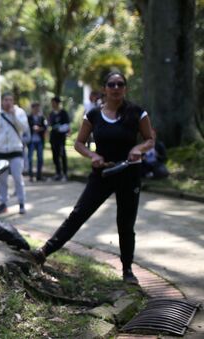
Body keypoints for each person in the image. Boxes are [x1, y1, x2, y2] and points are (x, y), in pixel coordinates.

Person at [28, 71, 154, 285]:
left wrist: (138, 149)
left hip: (129, 173)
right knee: (79, 214)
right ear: (105, 89)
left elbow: (150, 139)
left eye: (120, 84)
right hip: (102, 173)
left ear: (125, 88)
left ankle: (127, 271)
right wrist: (92, 155)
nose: (116, 88)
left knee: (125, 223)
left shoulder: (137, 113)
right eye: (111, 84)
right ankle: (43, 252)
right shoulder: (94, 115)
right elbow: (79, 143)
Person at [0, 93, 30, 215]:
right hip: (0, 152)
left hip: (16, 151)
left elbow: (24, 128)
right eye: (6, 100)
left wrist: (14, 115)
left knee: (18, 178)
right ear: (2, 101)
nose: (8, 102)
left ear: (13, 101)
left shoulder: (20, 113)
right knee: (2, 180)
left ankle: (21, 203)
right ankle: (4, 203)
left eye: (10, 100)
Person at [49, 96, 70, 181]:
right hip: (53, 138)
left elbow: (67, 125)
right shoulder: (51, 114)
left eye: (54, 103)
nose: (52, 105)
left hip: (61, 139)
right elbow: (50, 124)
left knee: (62, 155)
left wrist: (59, 128)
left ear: (57, 103)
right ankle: (58, 173)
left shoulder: (63, 113)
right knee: (55, 156)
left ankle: (65, 174)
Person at [27, 102, 48, 182]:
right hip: (31, 140)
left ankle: (39, 175)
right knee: (30, 159)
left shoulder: (42, 117)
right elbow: (26, 127)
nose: (37, 110)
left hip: (39, 140)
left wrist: (40, 129)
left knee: (40, 158)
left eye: (38, 108)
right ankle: (30, 175)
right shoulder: (28, 117)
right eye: (35, 108)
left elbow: (45, 127)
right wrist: (32, 128)